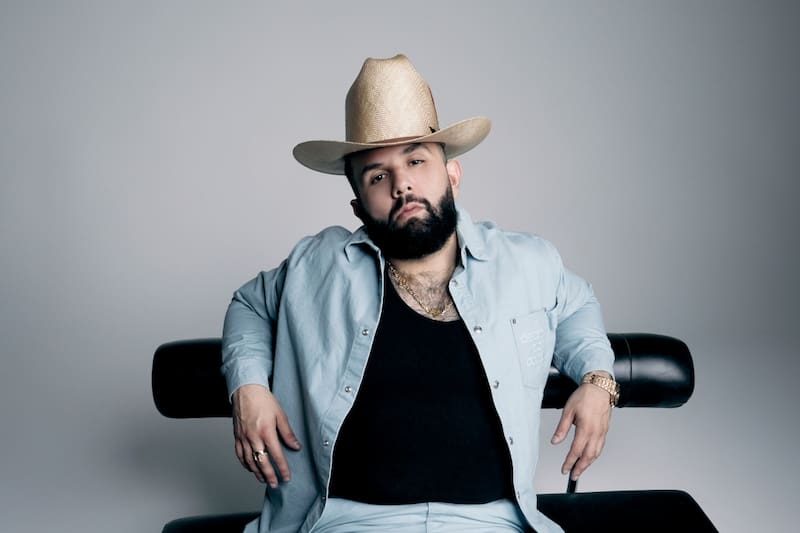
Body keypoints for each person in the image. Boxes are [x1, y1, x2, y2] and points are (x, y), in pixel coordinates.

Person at [221, 54, 619, 533]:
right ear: (358, 205)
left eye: (415, 161)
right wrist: (248, 388)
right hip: (349, 523)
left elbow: (576, 304)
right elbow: (249, 305)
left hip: (491, 523)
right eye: (377, 175)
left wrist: (598, 381)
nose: (402, 184)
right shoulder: (317, 264)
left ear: (452, 175)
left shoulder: (526, 262)